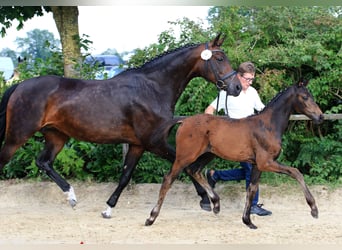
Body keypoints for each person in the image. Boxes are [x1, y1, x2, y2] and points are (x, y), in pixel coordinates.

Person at [203, 61, 272, 216]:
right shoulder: (228, 92)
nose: (249, 82)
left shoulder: (253, 92)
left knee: (251, 169)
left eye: (252, 79)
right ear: (238, 76)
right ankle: (253, 205)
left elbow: (262, 110)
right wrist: (211, 129)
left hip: (252, 137)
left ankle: (215, 175)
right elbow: (209, 110)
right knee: (252, 169)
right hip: (235, 137)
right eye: (247, 79)